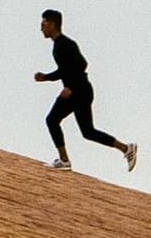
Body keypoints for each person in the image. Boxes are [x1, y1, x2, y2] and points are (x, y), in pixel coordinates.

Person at [34, 9, 137, 173]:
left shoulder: (64, 44)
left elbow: (81, 65)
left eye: (43, 24)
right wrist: (47, 78)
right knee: (88, 131)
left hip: (78, 91)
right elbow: (67, 69)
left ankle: (64, 160)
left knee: (52, 120)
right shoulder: (60, 45)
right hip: (82, 90)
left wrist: (69, 87)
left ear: (52, 24)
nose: (41, 28)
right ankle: (126, 148)